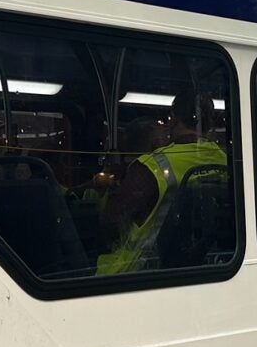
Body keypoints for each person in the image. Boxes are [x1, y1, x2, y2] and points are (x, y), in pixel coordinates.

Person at [96, 94, 228, 275]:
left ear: (172, 119)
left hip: (140, 272)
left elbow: (110, 222)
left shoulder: (153, 166)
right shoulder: (227, 162)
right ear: (210, 123)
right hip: (211, 265)